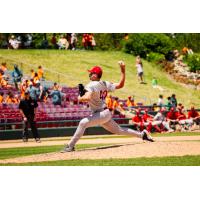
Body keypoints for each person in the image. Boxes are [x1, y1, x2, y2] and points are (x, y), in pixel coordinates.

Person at [61, 62, 154, 152]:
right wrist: (123, 71)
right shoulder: (105, 83)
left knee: (83, 123)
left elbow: (87, 97)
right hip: (104, 113)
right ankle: (142, 135)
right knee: (119, 130)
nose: (90, 74)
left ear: (95, 75)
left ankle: (70, 146)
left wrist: (79, 97)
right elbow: (121, 85)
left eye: (91, 73)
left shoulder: (91, 85)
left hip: (101, 113)